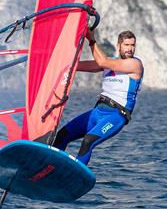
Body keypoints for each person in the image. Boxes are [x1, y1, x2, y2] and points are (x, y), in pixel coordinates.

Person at [42, 28, 144, 166]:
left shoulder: (135, 64)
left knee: (88, 141)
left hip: (115, 116)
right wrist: (58, 63)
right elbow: (76, 66)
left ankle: (72, 177)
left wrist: (91, 39)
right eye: (127, 45)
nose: (130, 49)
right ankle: (46, 168)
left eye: (133, 45)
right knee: (62, 135)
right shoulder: (111, 62)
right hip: (98, 112)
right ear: (119, 46)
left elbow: (102, 62)